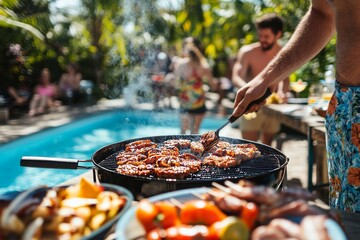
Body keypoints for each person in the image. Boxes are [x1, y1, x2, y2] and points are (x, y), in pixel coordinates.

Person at [232, 1, 360, 213]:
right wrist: (266, 78)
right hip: (345, 106)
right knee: (348, 215)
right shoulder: (249, 52)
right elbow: (321, 13)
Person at [232, 13, 290, 146]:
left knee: (267, 147)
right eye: (260, 35)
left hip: (272, 105)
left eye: (266, 36)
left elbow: (285, 78)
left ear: (278, 34)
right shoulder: (248, 52)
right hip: (250, 104)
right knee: (248, 146)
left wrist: (282, 92)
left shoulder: (285, 53)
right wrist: (249, 91)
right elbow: (236, 76)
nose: (262, 39)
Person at [174, 37, 216, 134]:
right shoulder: (203, 65)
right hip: (199, 102)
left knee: (183, 132)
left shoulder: (180, 64)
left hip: (185, 102)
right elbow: (213, 84)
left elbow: (177, 85)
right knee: (195, 132)